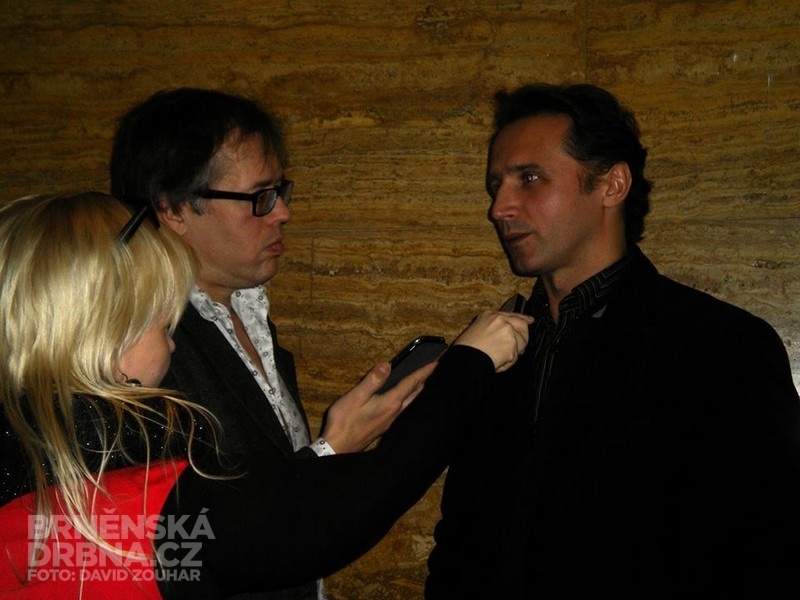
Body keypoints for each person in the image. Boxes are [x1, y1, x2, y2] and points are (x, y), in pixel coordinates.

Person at [0, 192, 531, 599]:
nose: (171, 343)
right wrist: (469, 364)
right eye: (162, 323)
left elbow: (244, 524)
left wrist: (327, 451)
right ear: (107, 332)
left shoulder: (41, 459)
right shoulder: (133, 493)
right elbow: (343, 512)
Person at [425, 83, 800, 598]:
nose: (499, 207)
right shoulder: (490, 352)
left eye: (529, 178)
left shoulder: (721, 346)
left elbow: (772, 548)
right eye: (496, 185)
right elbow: (461, 539)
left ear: (612, 184)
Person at [108, 86, 473, 599]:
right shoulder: (145, 348)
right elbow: (203, 539)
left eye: (280, 191)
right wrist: (334, 448)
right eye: (259, 197)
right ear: (174, 209)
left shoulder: (248, 310)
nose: (282, 212)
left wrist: (334, 447)